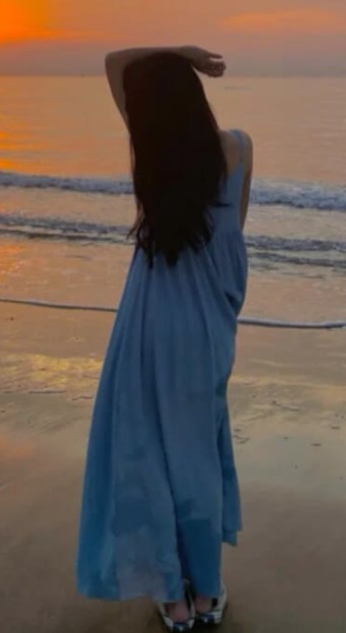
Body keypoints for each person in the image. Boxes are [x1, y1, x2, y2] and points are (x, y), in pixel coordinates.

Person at [76, 46, 252, 630]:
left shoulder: (151, 153)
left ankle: (172, 602)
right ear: (197, 97)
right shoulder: (238, 150)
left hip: (149, 319)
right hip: (206, 326)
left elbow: (113, 62)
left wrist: (180, 52)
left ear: (146, 113)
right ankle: (205, 594)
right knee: (197, 451)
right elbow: (234, 237)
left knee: (147, 452)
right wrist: (190, 60)